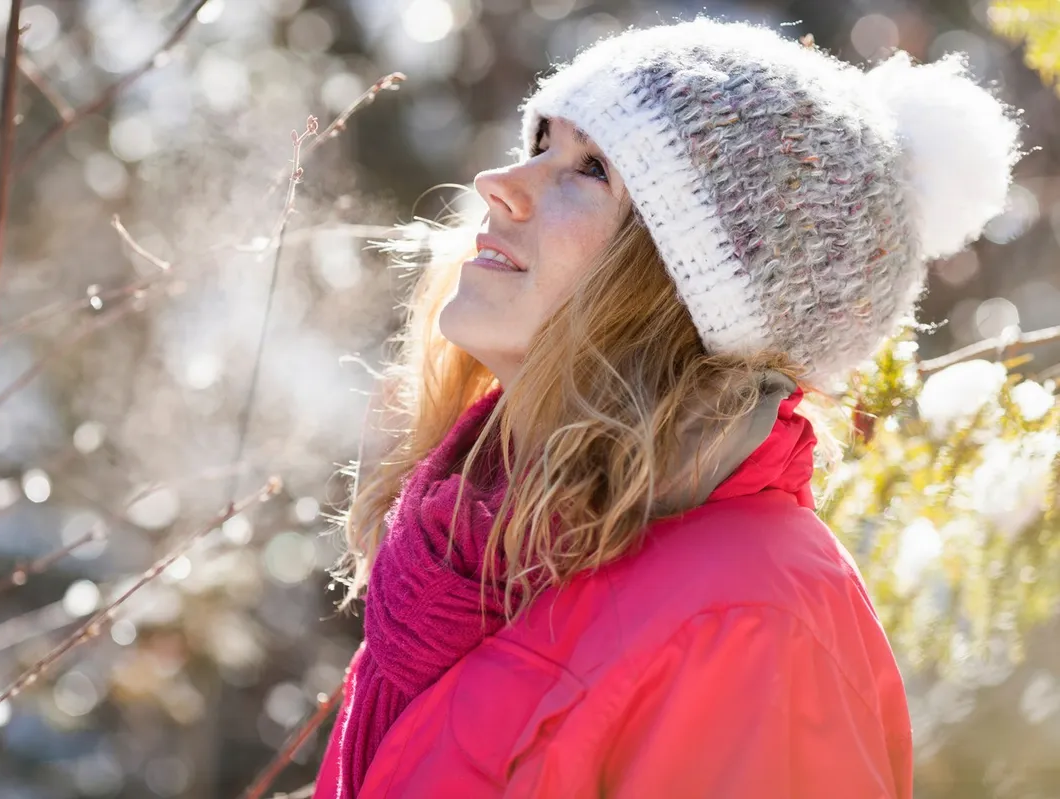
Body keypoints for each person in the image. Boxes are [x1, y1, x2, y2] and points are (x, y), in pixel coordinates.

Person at [313, 17, 1022, 799]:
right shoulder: (473, 556)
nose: (502, 183)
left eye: (591, 169)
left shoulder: (750, 620)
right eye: (542, 142)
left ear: (689, 290)